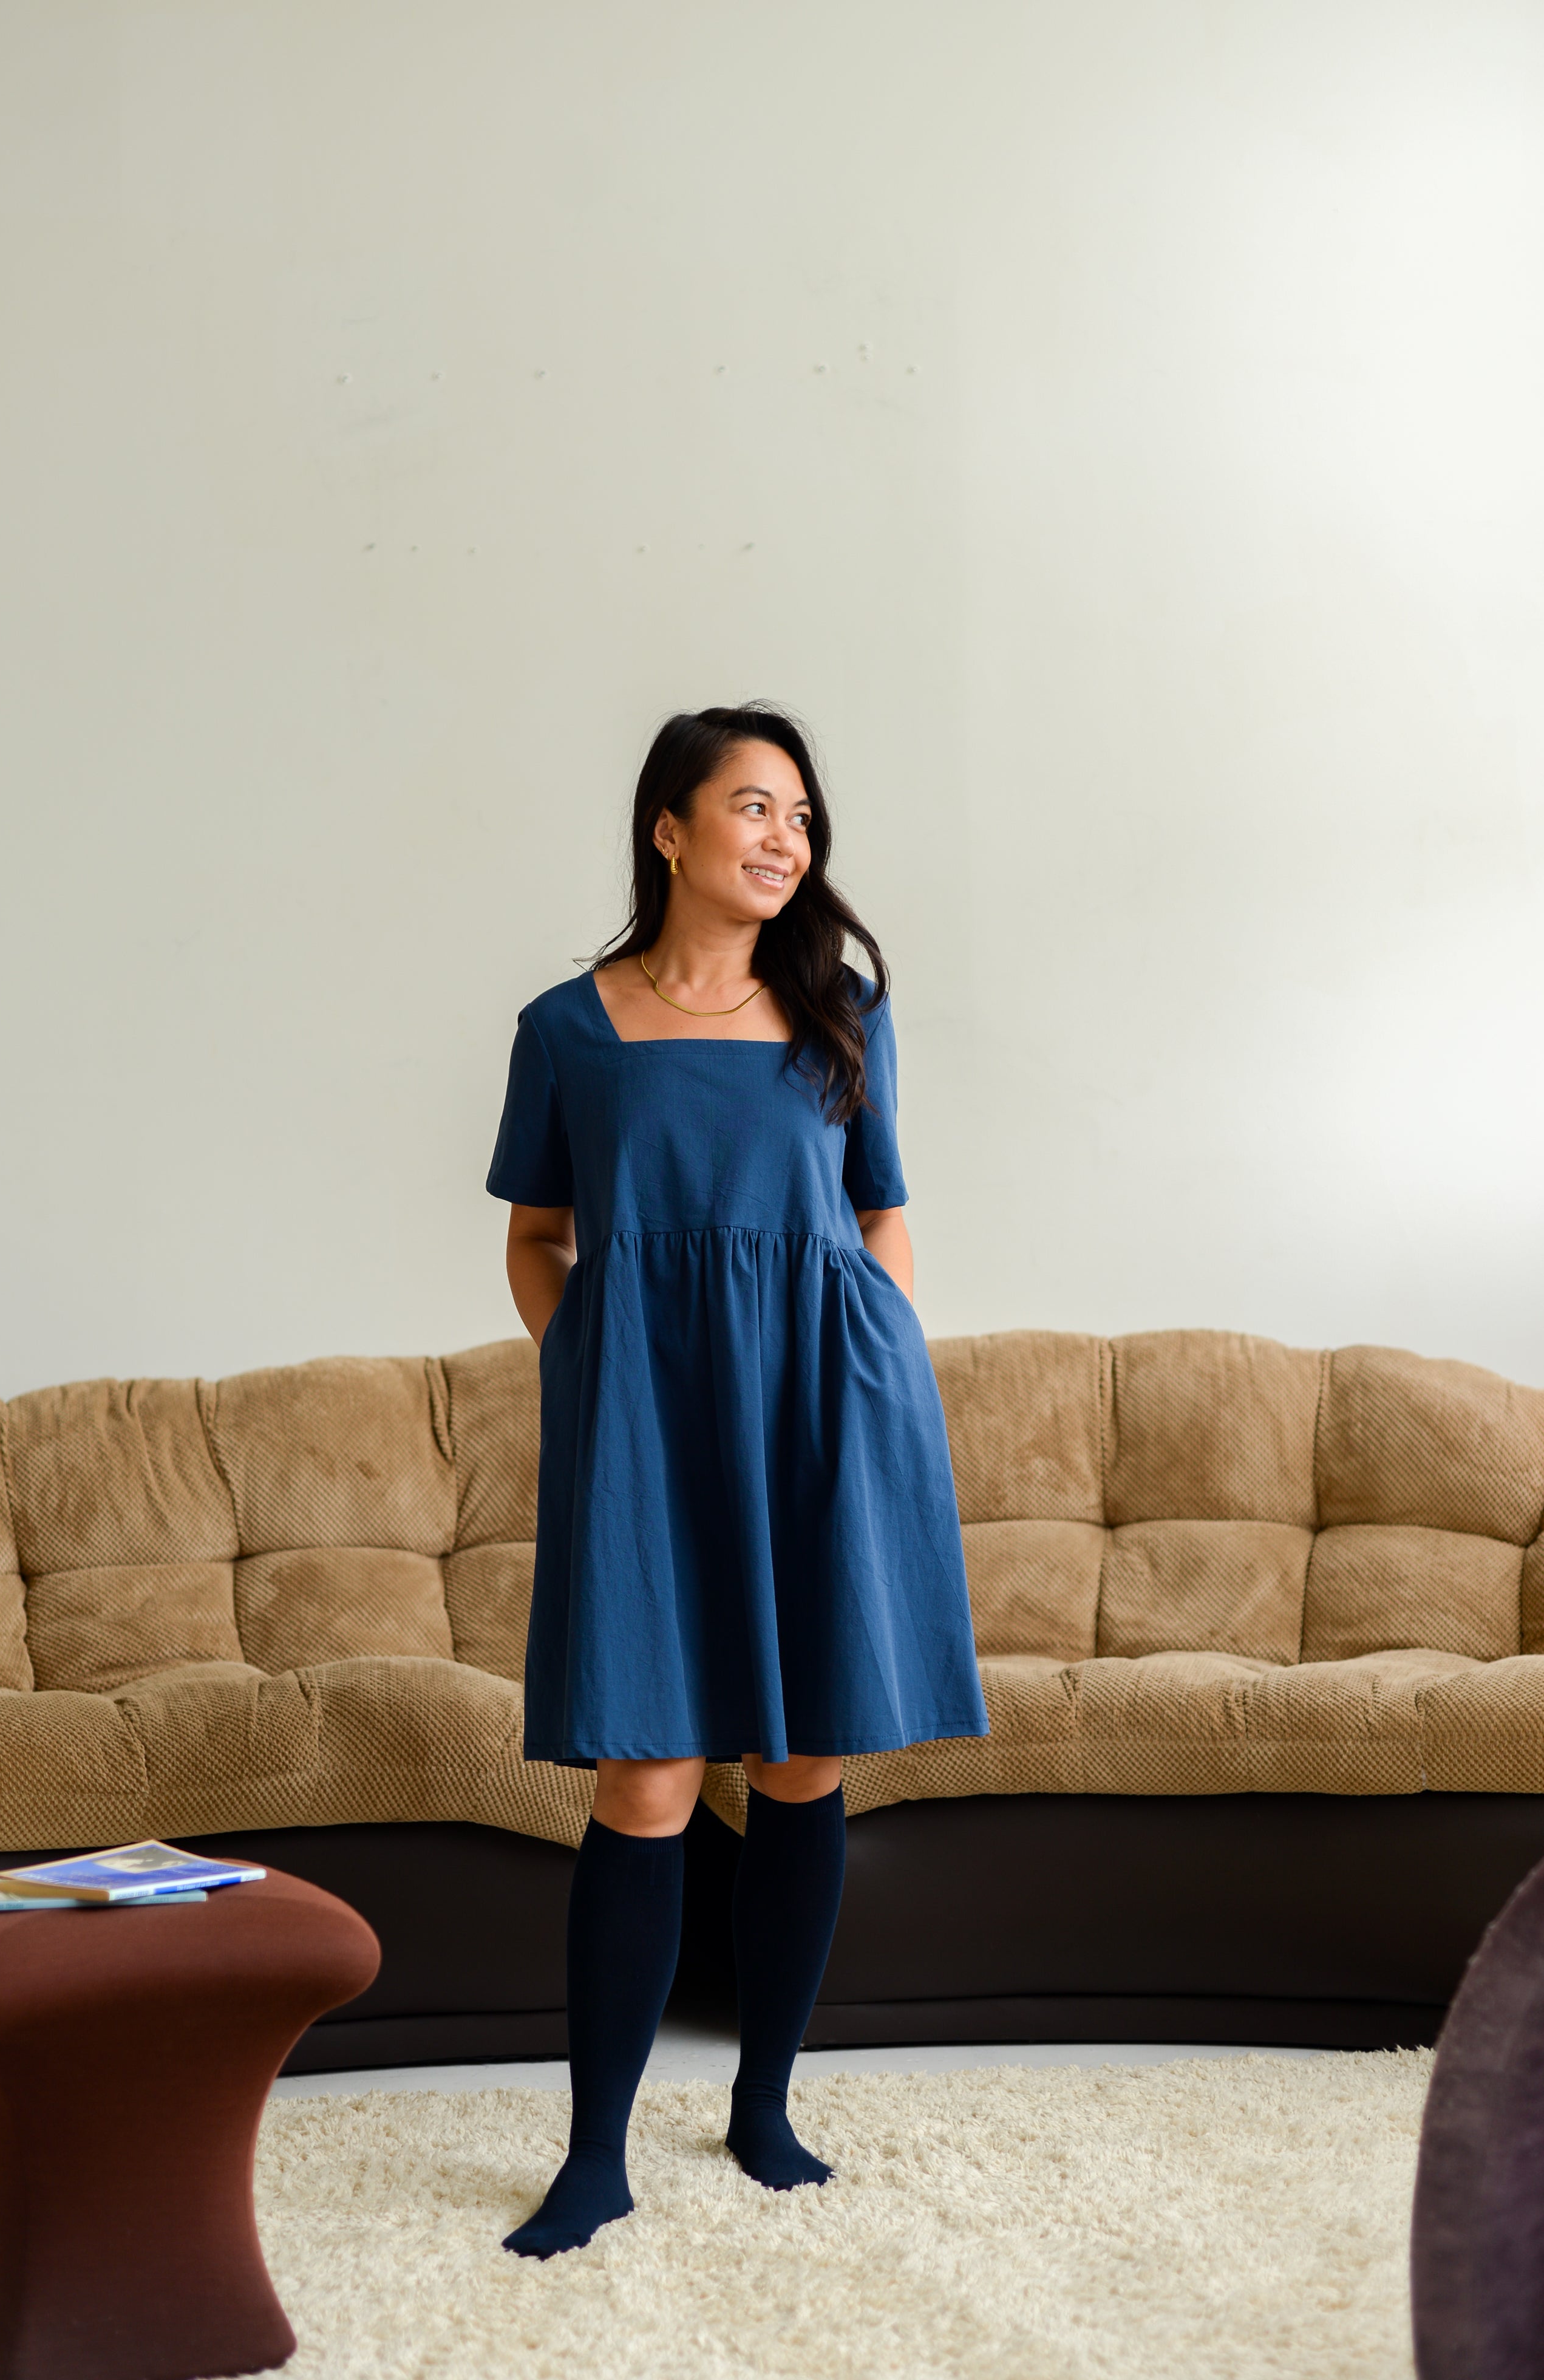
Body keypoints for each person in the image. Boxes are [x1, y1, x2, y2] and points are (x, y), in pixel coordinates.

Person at [485, 704, 988, 2259]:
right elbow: (536, 1235)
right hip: (648, 1421)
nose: (786, 840)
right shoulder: (568, 1027)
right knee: (644, 1774)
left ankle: (764, 2103)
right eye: (754, 809)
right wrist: (595, 1372)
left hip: (827, 1410)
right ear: (671, 828)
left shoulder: (841, 1008)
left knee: (799, 1766)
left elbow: (883, 1211)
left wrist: (880, 1356)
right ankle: (594, 2153)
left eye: (804, 819)